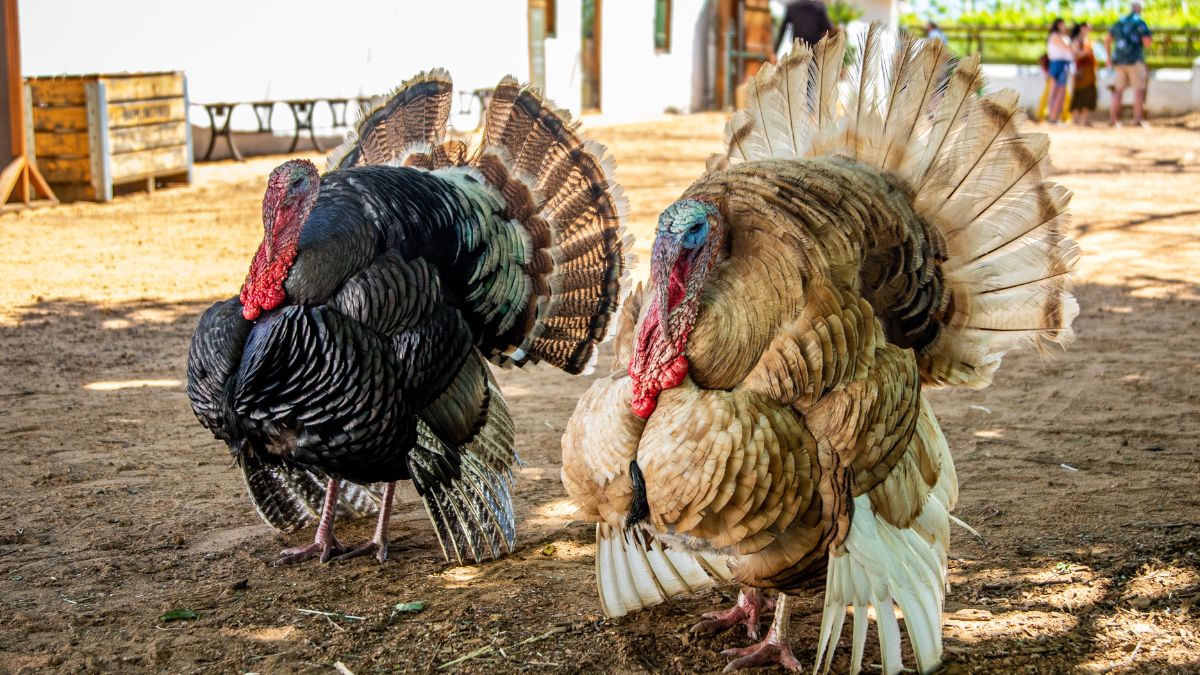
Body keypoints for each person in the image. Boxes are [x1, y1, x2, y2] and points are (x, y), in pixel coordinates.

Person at [1106, 2, 1153, 127]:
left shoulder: (1119, 22)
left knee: (1118, 90)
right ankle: (1137, 120)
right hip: (1135, 61)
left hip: (1118, 61)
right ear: (1139, 9)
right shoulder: (1140, 23)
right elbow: (1147, 42)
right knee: (1138, 90)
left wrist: (1108, 57)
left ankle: (1113, 119)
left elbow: (1108, 39)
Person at [1070, 22, 1098, 126]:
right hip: (1081, 71)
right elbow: (1074, 56)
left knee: (1089, 94)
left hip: (1090, 71)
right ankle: (1075, 120)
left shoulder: (1088, 41)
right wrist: (1085, 53)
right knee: (1079, 94)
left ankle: (1084, 120)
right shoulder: (1077, 40)